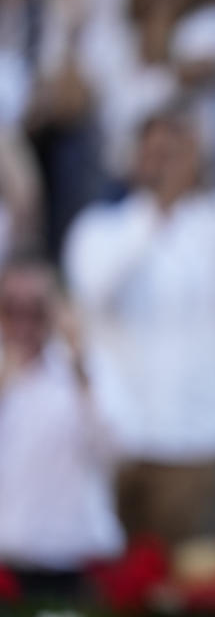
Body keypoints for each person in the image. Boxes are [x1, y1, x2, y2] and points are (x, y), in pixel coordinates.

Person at [63, 108, 215, 547]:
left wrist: (209, 193)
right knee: (110, 584)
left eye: (177, 152)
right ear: (135, 158)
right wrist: (157, 208)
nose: (167, 163)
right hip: (118, 435)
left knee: (188, 581)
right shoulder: (102, 228)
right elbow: (94, 285)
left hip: (195, 437)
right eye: (156, 151)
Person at [0, 253, 124, 603]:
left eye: (36, 309)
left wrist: (80, 368)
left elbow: (112, 450)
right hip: (10, 560)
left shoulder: (89, 369)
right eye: (11, 308)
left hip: (77, 555)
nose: (23, 322)